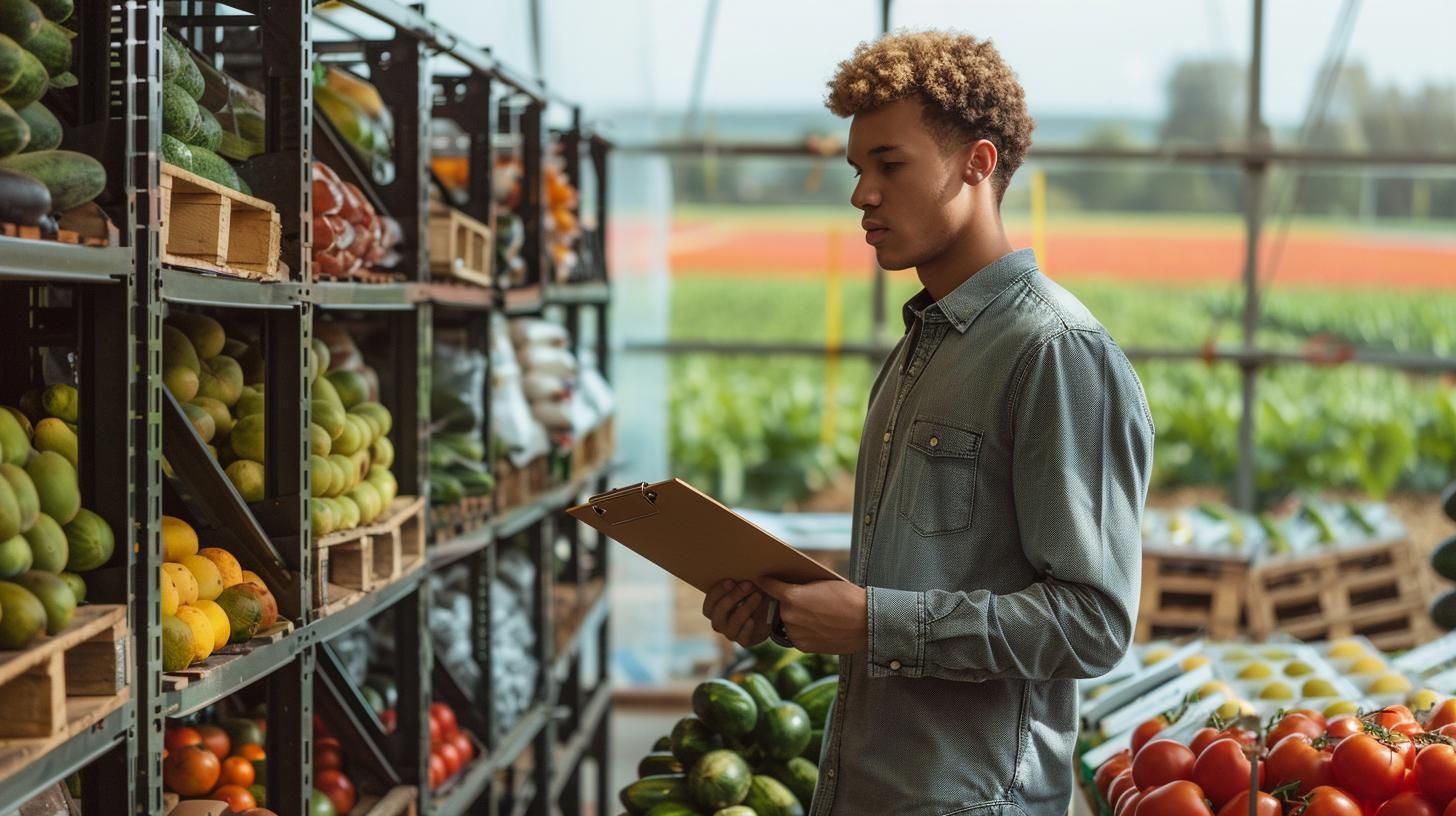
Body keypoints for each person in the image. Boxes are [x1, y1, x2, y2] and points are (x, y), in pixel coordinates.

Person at [701, 30, 1155, 815]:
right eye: (857, 169)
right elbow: (928, 578)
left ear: (977, 164)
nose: (861, 194)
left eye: (890, 165)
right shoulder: (924, 344)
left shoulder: (1056, 352)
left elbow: (1092, 623)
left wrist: (874, 622)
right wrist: (788, 610)